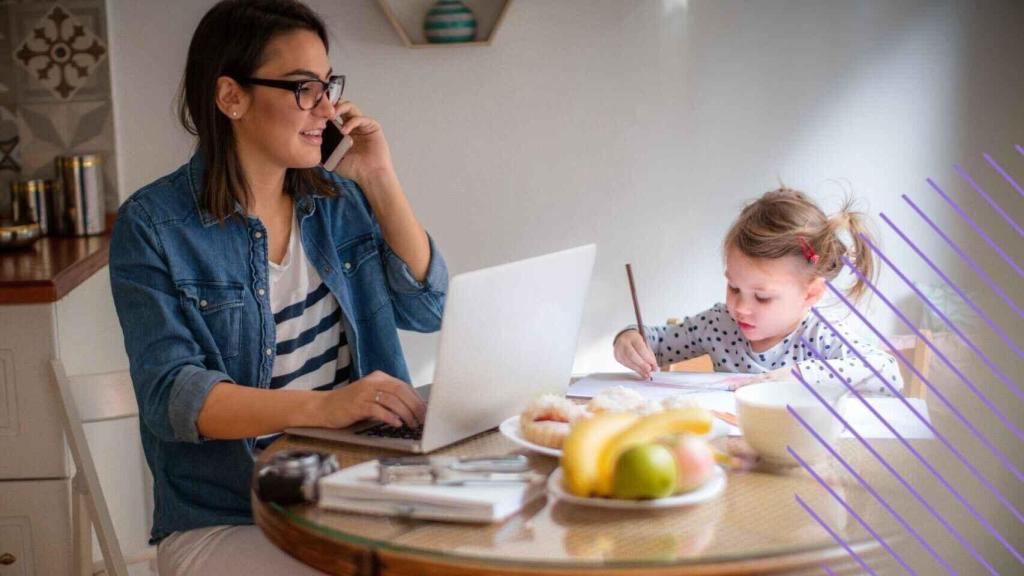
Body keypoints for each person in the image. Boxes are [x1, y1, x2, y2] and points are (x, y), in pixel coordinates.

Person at [109, 1, 447, 573]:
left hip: (359, 487)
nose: (326, 107)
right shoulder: (153, 226)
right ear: (231, 97)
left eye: (328, 85)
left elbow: (428, 307)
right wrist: (329, 408)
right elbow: (175, 396)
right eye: (303, 88)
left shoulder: (338, 203)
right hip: (230, 516)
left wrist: (380, 177)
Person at [613, 187, 903, 395]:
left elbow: (887, 372)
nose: (740, 307)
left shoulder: (820, 334)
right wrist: (627, 340)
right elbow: (657, 343)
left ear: (811, 295)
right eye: (734, 287)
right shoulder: (718, 324)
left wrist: (796, 376)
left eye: (762, 297)